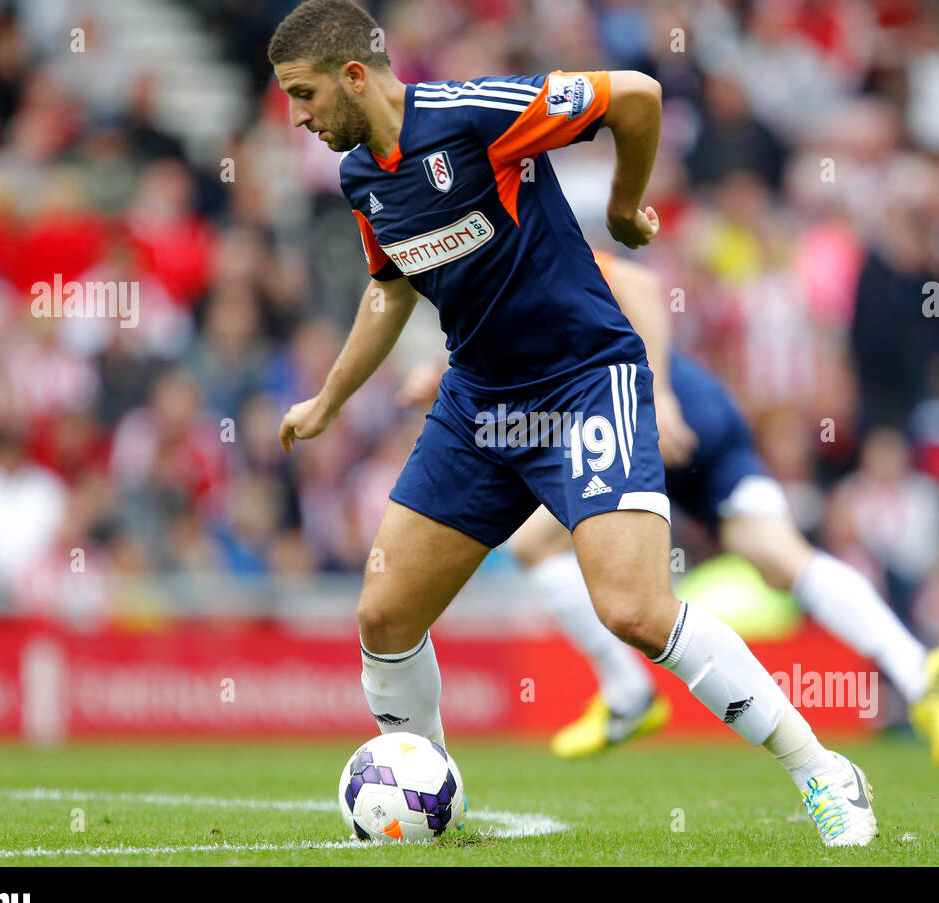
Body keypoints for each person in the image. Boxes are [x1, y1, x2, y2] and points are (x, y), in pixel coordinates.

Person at [270, 0, 877, 846]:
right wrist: (331, 398)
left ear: (354, 75)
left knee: (634, 609)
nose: (297, 117)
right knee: (384, 617)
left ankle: (822, 771)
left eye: (303, 95)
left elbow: (636, 94)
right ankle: (428, 799)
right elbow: (389, 287)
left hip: (586, 380)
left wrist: (626, 208)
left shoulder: (474, 116)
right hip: (480, 402)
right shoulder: (360, 178)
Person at [434, 252, 939, 765]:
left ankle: (628, 695)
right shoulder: (500, 278)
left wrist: (658, 395)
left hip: (651, 416)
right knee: (781, 557)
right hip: (704, 407)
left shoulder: (523, 247)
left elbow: (641, 287)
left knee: (532, 546)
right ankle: (922, 671)